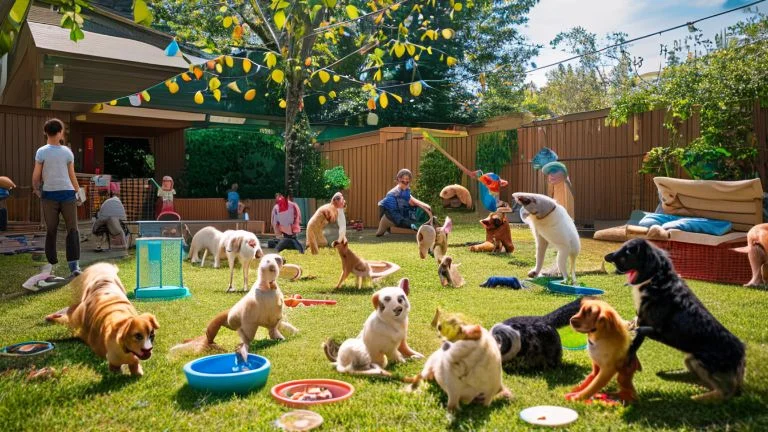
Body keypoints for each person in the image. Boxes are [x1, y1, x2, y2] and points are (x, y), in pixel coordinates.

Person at [32, 118, 81, 278]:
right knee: (72, 229)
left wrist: (37, 189)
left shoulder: (41, 151)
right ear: (60, 133)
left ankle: (52, 263)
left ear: (45, 132)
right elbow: (72, 175)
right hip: (68, 194)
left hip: (49, 196)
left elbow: (36, 175)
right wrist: (78, 192)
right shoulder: (67, 152)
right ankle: (74, 266)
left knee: (51, 230)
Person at [375, 168, 432, 236]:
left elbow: (412, 200)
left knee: (417, 212)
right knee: (379, 233)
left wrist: (427, 209)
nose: (405, 181)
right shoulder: (392, 195)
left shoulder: (406, 190)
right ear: (398, 180)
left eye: (407, 181)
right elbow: (395, 214)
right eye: (403, 181)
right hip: (389, 215)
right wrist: (412, 224)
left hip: (401, 210)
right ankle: (384, 224)